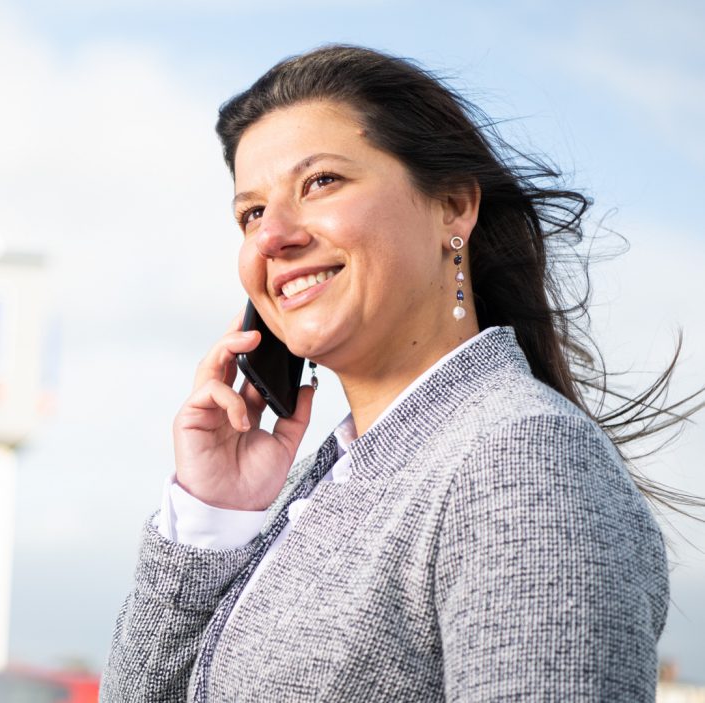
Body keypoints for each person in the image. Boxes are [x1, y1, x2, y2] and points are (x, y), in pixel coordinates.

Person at [100, 45, 699, 702]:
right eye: (252, 212)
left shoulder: (520, 456)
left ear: (452, 206)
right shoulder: (318, 487)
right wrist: (211, 514)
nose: (272, 236)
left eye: (321, 181)